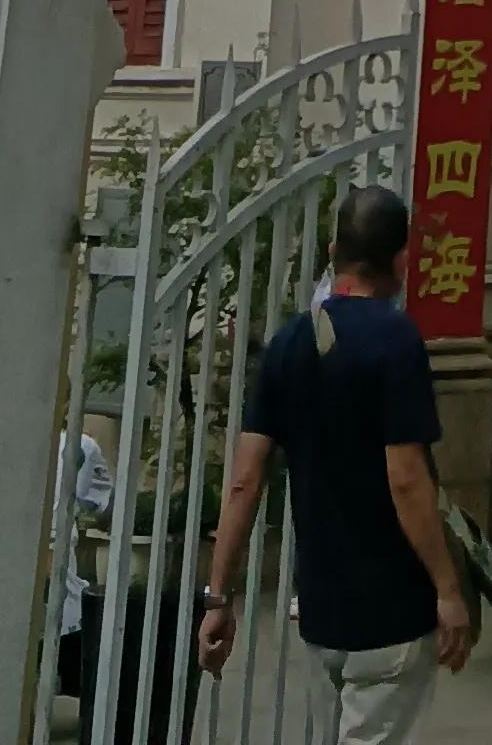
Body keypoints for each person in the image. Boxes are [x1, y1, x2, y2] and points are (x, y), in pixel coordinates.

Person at [198, 181, 471, 742]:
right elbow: (407, 480)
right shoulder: (397, 342)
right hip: (392, 612)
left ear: (331, 253)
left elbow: (245, 483)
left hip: (320, 612)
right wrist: (448, 589)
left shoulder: (289, 344)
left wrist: (218, 597)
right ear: (401, 259)